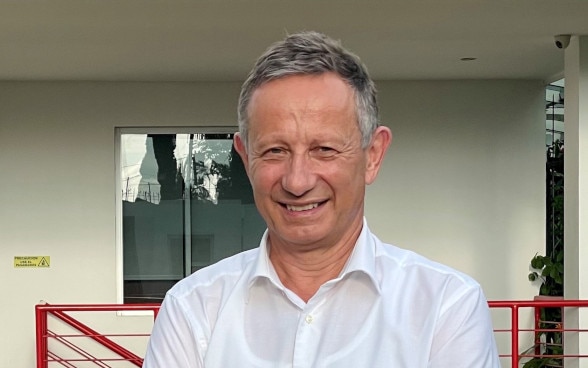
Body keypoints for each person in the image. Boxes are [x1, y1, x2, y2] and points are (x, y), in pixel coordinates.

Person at [142, 31, 500, 367]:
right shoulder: (192, 310)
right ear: (246, 158)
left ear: (373, 155)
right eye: (275, 150)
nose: (297, 181)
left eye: (324, 149)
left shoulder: (445, 306)